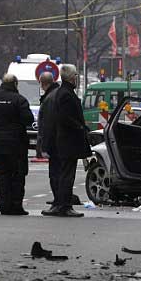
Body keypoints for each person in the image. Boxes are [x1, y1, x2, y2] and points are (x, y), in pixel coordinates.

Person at [0, 74, 35, 215]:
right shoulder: (19, 100)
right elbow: (28, 119)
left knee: (2, 175)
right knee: (17, 175)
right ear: (15, 84)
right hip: (17, 143)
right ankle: (16, 205)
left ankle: (4, 205)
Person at [43, 64, 89, 218]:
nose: (77, 78)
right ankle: (64, 205)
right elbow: (66, 118)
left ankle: (60, 204)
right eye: (76, 75)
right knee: (67, 176)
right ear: (70, 77)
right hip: (69, 142)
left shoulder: (61, 93)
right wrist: (80, 127)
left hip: (63, 141)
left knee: (62, 174)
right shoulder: (66, 94)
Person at [36, 72, 60, 211]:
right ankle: (59, 200)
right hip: (58, 142)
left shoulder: (50, 98)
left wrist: (44, 146)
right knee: (59, 173)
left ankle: (58, 201)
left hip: (54, 143)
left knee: (55, 174)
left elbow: (47, 124)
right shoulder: (55, 94)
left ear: (43, 84)